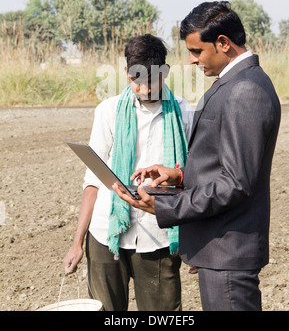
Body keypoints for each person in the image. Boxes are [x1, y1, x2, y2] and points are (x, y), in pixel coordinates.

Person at [113, 2, 281, 311]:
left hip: (228, 253)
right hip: (219, 250)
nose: (191, 60)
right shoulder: (236, 84)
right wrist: (178, 176)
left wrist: (166, 204)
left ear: (222, 43)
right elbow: (224, 166)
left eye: (196, 51)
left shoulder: (244, 91)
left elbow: (235, 183)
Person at [63, 34, 194, 311]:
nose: (145, 89)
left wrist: (194, 243)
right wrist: (77, 243)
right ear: (126, 73)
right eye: (137, 81)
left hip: (159, 238)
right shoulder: (108, 111)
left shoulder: (184, 113)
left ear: (165, 73)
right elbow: (93, 181)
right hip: (105, 235)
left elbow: (194, 178)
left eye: (152, 80)